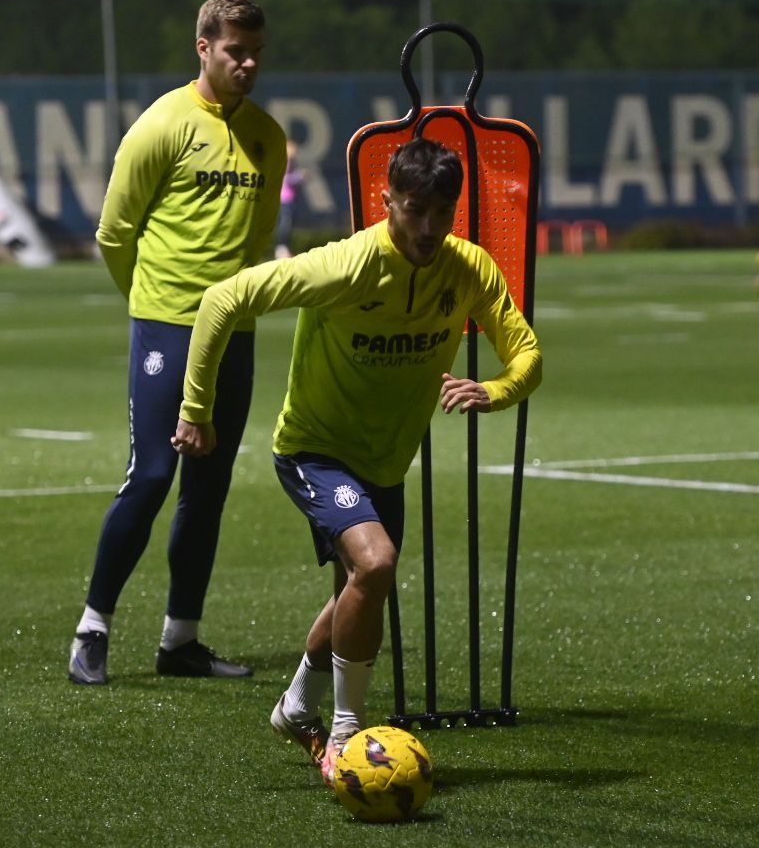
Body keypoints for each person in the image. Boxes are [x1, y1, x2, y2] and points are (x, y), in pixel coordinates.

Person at [174, 137, 543, 783]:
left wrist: (495, 390)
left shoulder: (469, 269)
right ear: (387, 200)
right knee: (377, 562)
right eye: (413, 209)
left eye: (442, 211)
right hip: (313, 448)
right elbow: (221, 300)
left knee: (359, 591)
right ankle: (348, 733)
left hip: (384, 462)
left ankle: (295, 710)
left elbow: (528, 355)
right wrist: (195, 408)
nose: (428, 227)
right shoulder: (345, 266)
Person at [69, 0, 286, 686]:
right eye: (234, 51)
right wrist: (151, 304)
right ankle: (92, 629)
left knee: (209, 486)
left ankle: (180, 642)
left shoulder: (268, 138)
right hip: (165, 323)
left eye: (255, 52)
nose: (248, 64)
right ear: (203, 48)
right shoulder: (160, 125)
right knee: (153, 475)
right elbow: (113, 234)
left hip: (236, 331)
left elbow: (258, 241)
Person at [272, 139, 305, 259]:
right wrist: (300, 177)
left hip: (291, 199)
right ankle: (281, 250)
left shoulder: (293, 162)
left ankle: (284, 249)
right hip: (285, 199)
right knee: (285, 225)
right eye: (291, 148)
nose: (294, 150)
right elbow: (285, 178)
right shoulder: (285, 161)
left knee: (289, 225)